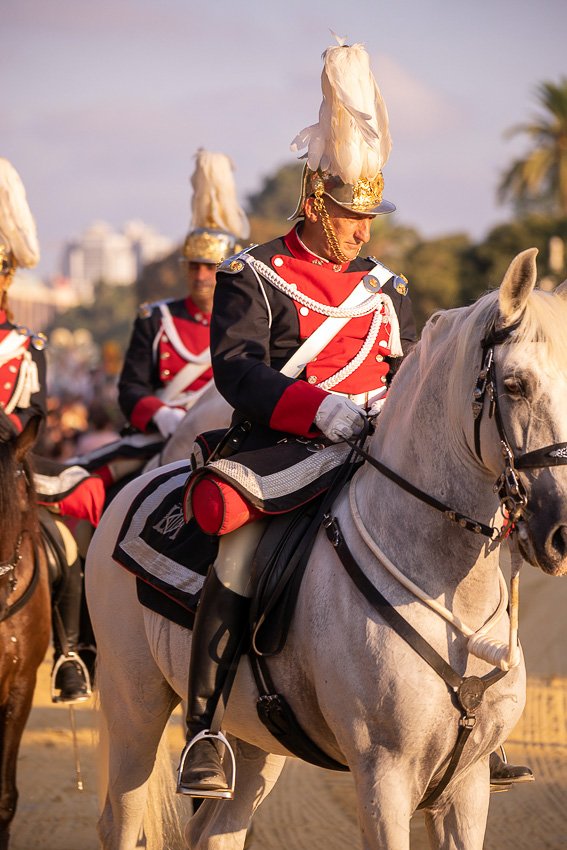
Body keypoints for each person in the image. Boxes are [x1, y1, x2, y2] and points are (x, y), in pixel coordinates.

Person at [176, 40, 533, 798]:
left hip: (377, 447)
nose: (361, 229)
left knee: (481, 533)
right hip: (279, 447)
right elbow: (235, 371)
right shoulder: (252, 274)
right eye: (349, 214)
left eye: (368, 214)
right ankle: (204, 727)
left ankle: (478, 723)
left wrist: (389, 409)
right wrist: (320, 407)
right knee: (238, 551)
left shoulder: (385, 286)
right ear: (313, 203)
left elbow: (407, 373)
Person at [0, 156, 104, 702]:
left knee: (67, 532)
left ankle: (69, 652)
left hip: (12, 458)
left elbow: (34, 410)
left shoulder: (28, 346)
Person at [117, 150, 249, 443]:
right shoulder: (156, 320)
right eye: (194, 266)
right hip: (163, 436)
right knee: (90, 482)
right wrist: (159, 413)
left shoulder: (251, 320)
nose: (201, 276)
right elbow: (130, 387)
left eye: (210, 267)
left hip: (229, 437)